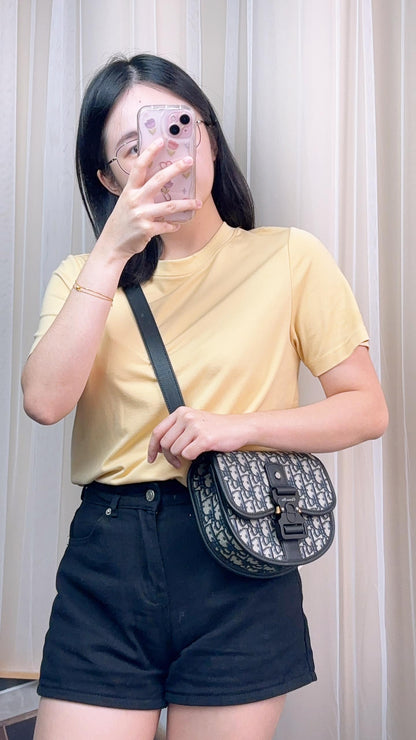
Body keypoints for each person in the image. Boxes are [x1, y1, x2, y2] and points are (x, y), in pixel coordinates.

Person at [22, 53, 388, 740]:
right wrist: (112, 252)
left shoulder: (289, 257)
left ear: (210, 139)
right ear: (109, 179)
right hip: (109, 559)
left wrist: (235, 427)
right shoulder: (82, 277)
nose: (163, 153)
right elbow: (44, 402)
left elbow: (366, 409)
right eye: (134, 146)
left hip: (240, 549)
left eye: (177, 127)